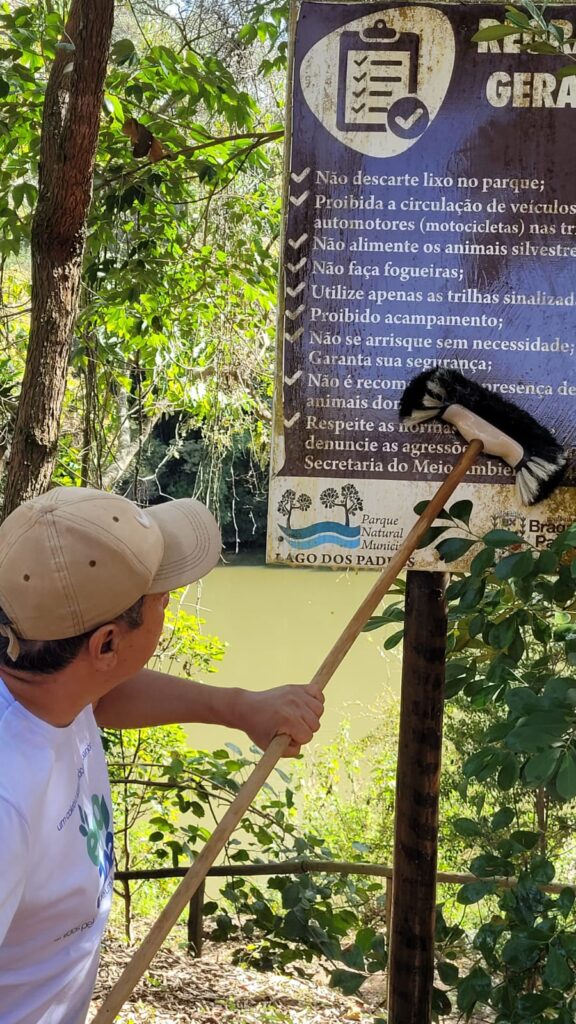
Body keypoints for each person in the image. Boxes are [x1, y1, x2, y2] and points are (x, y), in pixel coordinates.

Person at [0, 486, 325, 1024]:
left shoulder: (41, 671)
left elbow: (100, 695)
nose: (169, 602)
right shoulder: (8, 800)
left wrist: (238, 708)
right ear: (106, 644)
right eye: (160, 596)